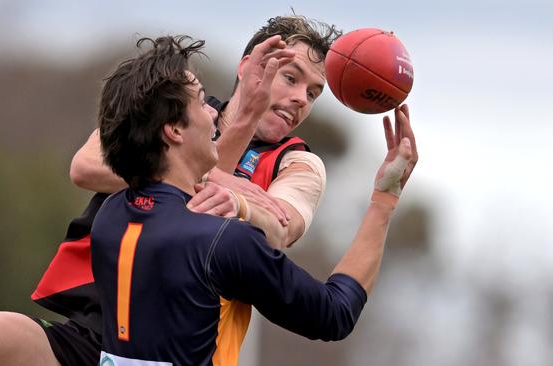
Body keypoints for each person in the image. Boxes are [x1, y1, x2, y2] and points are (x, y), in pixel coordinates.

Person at [90, 33, 417, 365]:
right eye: (202, 102)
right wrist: (384, 199)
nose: (213, 112)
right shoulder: (225, 241)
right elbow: (335, 314)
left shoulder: (110, 215)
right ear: (174, 130)